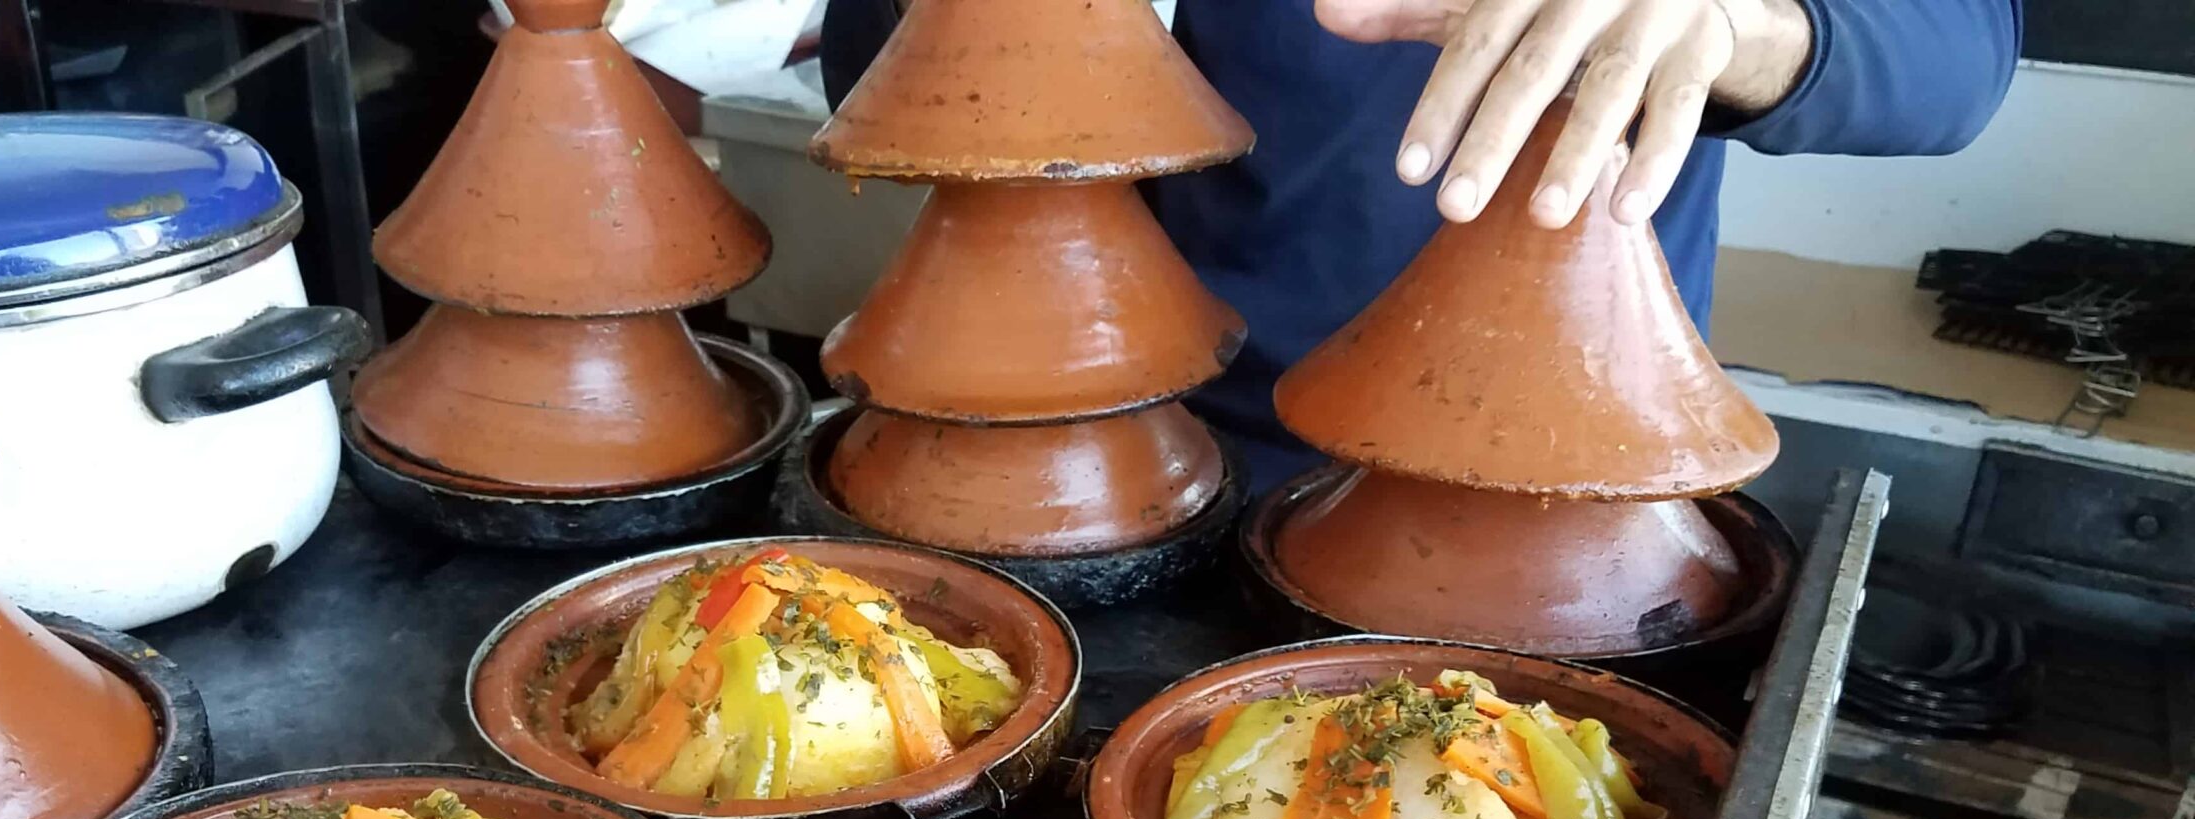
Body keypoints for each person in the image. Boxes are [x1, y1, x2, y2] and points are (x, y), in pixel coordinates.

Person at [821, 0, 2020, 484]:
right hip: (1150, 436)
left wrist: (1738, 29)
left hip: (1555, 454)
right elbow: (885, 86)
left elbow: (1956, 58)